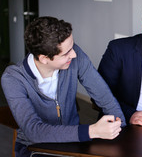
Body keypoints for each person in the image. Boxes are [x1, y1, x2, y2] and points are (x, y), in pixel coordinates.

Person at [1, 17, 125, 157]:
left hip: (74, 143)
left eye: (72, 47)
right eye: (66, 53)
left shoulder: (74, 55)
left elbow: (104, 97)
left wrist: (122, 131)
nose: (74, 54)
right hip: (34, 148)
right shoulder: (13, 78)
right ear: (44, 58)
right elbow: (33, 131)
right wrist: (92, 131)